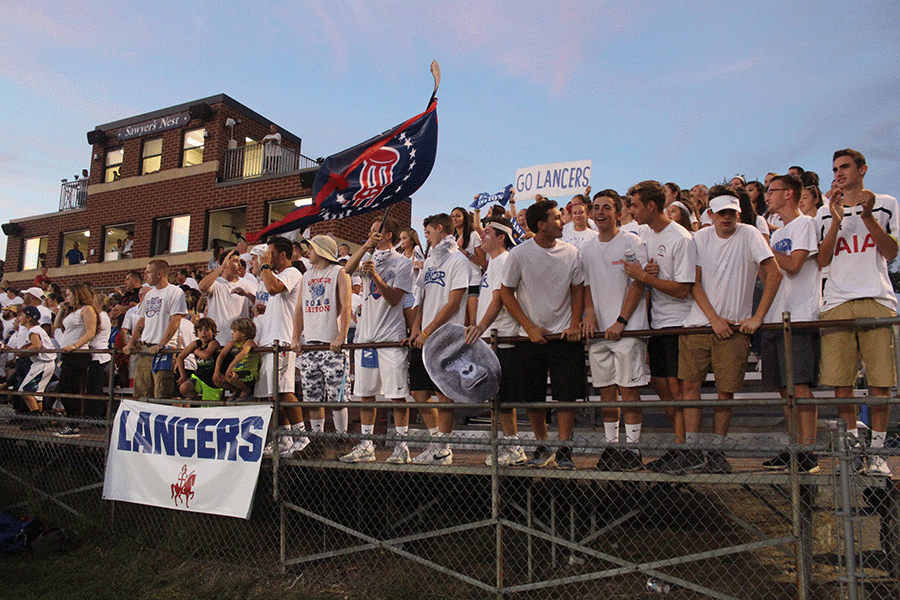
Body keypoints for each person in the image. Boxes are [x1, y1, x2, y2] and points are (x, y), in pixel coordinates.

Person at [670, 187, 781, 474]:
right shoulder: (701, 237)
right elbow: (693, 282)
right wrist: (715, 318)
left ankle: (716, 450)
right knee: (690, 387)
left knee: (725, 391)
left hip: (732, 326)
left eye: (732, 213)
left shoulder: (750, 234)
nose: (727, 218)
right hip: (700, 324)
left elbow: (775, 272)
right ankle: (693, 450)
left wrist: (757, 316)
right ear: (710, 215)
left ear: (739, 214)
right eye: (722, 213)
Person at [816, 148, 898, 476]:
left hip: (877, 296)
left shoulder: (887, 203)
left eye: (845, 167)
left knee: (880, 382)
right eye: (835, 168)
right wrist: (836, 219)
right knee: (840, 381)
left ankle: (877, 451)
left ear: (862, 169)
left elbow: (890, 252)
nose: (839, 173)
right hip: (836, 300)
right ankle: (851, 447)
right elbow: (822, 260)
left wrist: (866, 216)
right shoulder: (825, 211)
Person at [501, 200, 584, 470]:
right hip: (530, 338)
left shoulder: (571, 252)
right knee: (533, 397)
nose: (563, 222)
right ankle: (543, 444)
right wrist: (529, 327)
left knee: (567, 396)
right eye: (557, 218)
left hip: (563, 337)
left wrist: (574, 324)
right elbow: (505, 292)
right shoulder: (519, 254)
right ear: (541, 225)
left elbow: (578, 290)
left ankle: (564, 448)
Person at [581, 191, 650, 471]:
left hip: (628, 330)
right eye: (595, 207)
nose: (600, 213)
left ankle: (632, 451)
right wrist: (590, 314)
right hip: (600, 333)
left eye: (606, 208)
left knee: (629, 389)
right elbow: (586, 284)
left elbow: (639, 283)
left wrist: (621, 320)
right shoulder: (587, 248)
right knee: (606, 391)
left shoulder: (631, 242)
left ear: (618, 213)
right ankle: (611, 447)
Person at [340, 217, 416, 464]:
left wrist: (376, 277)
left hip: (390, 336)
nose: (371, 234)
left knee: (396, 395)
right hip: (366, 336)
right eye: (370, 231)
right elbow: (345, 271)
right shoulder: (366, 257)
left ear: (388, 235)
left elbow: (395, 299)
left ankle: (402, 446)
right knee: (365, 393)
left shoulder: (403, 263)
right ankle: (365, 445)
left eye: (376, 231)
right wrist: (363, 249)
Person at [759, 174, 822, 473]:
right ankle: (794, 445)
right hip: (775, 314)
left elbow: (795, 265)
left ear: (788, 194)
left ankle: (808, 450)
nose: (767, 196)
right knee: (784, 389)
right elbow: (772, 277)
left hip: (798, 314)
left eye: (771, 191)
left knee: (798, 385)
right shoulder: (777, 233)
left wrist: (765, 249)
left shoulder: (805, 224)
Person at [465, 217, 527, 466]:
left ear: (502, 237)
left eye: (488, 232)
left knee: (503, 399)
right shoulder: (491, 264)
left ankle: (515, 447)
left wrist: (481, 326)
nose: (483, 236)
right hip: (491, 340)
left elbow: (500, 297)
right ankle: (508, 446)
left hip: (502, 337)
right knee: (497, 400)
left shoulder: (504, 260)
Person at [409, 213, 470, 465]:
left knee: (443, 393)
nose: (426, 236)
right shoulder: (432, 260)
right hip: (425, 335)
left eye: (429, 232)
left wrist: (427, 331)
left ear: (441, 229)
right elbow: (422, 298)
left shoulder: (459, 260)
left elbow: (454, 304)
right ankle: (437, 442)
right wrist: (416, 328)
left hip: (446, 336)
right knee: (418, 391)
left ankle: (443, 448)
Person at [291, 235, 352, 458]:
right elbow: (298, 308)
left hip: (331, 344)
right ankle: (316, 440)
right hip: (311, 344)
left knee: (337, 397)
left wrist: (341, 336)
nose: (308, 251)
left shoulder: (338, 272)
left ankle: (342, 438)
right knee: (312, 397)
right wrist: (296, 336)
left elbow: (346, 305)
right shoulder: (307, 275)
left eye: (312, 248)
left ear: (322, 250)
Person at [254, 236, 307, 458]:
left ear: (283, 255)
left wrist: (264, 265)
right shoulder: (273, 276)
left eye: (271, 253)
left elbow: (275, 288)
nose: (268, 257)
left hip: (283, 341)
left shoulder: (293, 272)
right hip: (269, 340)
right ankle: (284, 439)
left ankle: (302, 437)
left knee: (284, 391)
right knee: (271, 395)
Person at [125, 260, 186, 401]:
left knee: (161, 392)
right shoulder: (149, 295)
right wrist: (131, 343)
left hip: (165, 350)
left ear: (159, 274)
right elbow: (141, 322)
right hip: (146, 348)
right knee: (141, 391)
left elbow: (175, 321)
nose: (145, 275)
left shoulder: (175, 292)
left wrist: (161, 343)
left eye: (148, 272)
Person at [52, 283, 99, 437]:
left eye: (69, 295)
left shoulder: (87, 309)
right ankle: (73, 424)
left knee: (65, 387)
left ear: (77, 295)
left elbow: (90, 331)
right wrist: (62, 310)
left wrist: (75, 345)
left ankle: (73, 423)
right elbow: (57, 326)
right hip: (67, 354)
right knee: (68, 389)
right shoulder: (72, 312)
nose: (67, 298)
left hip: (78, 353)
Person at [199, 249, 251, 347]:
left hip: (240, 345)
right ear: (225, 263)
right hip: (217, 344)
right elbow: (202, 286)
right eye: (235, 261)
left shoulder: (247, 285)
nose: (239, 265)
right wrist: (221, 267)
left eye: (240, 262)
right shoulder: (215, 284)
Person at [16, 305, 56, 429]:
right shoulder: (38, 329)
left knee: (25, 390)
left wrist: (21, 353)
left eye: (21, 315)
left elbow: (37, 346)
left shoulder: (33, 331)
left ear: (28, 318)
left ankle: (36, 418)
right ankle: (39, 421)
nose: (19, 318)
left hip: (43, 363)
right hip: (46, 363)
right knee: (37, 393)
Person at [451, 207, 486, 325]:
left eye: (458, 216)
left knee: (473, 323)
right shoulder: (453, 239)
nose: (454, 219)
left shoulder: (473, 235)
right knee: (461, 323)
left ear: (464, 218)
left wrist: (465, 253)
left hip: (473, 281)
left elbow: (483, 261)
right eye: (452, 216)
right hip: (458, 282)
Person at [176, 317, 223, 403]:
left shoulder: (214, 343)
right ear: (196, 332)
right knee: (184, 387)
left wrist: (196, 351)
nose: (203, 333)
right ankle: (197, 401)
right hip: (199, 378)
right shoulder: (196, 343)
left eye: (207, 330)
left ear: (213, 331)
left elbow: (206, 355)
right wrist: (183, 375)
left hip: (212, 382)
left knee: (210, 409)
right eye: (200, 330)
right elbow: (180, 357)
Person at [214, 318, 259, 402]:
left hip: (248, 373)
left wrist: (231, 366)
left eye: (235, 331)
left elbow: (243, 353)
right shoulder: (233, 343)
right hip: (237, 372)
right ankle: (236, 389)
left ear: (244, 333)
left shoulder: (250, 342)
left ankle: (245, 389)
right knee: (217, 379)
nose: (232, 333)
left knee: (230, 376)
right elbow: (222, 355)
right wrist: (217, 371)